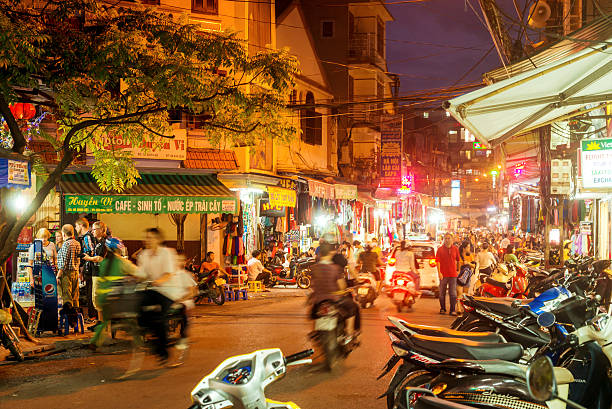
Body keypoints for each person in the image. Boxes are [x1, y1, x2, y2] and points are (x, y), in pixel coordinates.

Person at [136, 228, 179, 366]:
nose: (147, 240)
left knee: (160, 318)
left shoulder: (167, 253)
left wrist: (158, 281)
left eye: (151, 238)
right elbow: (141, 274)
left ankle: (163, 352)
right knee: (138, 306)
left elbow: (169, 274)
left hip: (168, 291)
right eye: (146, 237)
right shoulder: (143, 255)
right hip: (151, 290)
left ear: (158, 239)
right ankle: (151, 335)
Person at [89, 237, 139, 350]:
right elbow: (138, 272)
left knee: (105, 321)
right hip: (117, 299)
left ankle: (95, 341)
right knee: (132, 318)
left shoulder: (104, 262)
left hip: (103, 299)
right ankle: (139, 343)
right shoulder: (122, 262)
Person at [310, 242, 359, 345]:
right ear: (331, 252)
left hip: (318, 300)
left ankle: (315, 331)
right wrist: (344, 290)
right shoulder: (335, 268)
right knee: (352, 307)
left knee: (314, 311)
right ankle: (349, 332)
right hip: (334, 299)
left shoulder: (314, 267)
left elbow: (313, 285)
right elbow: (342, 286)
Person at [83, 221, 108, 329]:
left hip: (100, 273)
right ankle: (99, 321)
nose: (92, 231)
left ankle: (102, 323)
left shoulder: (105, 242)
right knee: (95, 298)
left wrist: (88, 258)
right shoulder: (97, 242)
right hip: (95, 273)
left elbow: (100, 258)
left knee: (98, 298)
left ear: (101, 230)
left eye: (94, 229)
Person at [75, 218, 96, 320]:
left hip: (91, 269)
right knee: (89, 292)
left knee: (90, 292)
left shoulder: (87, 237)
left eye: (76, 226)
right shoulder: (85, 237)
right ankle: (92, 316)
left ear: (81, 226)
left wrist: (82, 267)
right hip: (88, 268)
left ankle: (93, 316)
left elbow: (91, 252)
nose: (75, 228)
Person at [57, 224, 81, 309]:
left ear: (63, 234)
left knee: (67, 297)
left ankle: (69, 318)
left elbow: (63, 263)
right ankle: (76, 316)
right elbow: (79, 259)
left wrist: (58, 276)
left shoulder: (66, 244)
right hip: (75, 272)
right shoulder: (77, 243)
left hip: (66, 274)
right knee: (75, 296)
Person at [435, 233, 460, 315]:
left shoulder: (455, 249)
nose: (447, 240)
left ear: (452, 240)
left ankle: (452, 310)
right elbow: (437, 262)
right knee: (441, 293)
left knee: (453, 293)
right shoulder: (440, 249)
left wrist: (458, 270)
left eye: (449, 238)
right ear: (443, 239)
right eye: (445, 238)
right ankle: (443, 308)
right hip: (443, 275)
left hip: (453, 275)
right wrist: (439, 273)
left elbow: (458, 260)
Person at [457, 243, 476, 311]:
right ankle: (459, 309)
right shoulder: (458, 255)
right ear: (463, 248)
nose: (469, 249)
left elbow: (474, 266)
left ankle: (463, 308)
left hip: (467, 277)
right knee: (459, 293)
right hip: (459, 277)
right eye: (468, 247)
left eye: (469, 247)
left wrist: (468, 263)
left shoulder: (470, 255)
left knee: (465, 294)